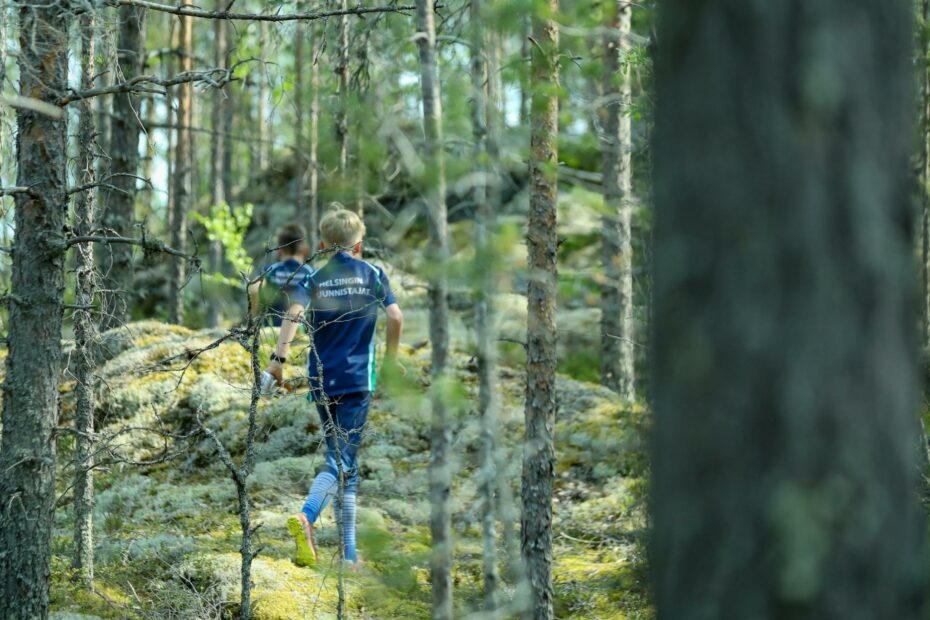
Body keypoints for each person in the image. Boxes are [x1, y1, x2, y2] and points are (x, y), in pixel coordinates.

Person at [264, 209, 404, 569]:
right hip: (358, 381)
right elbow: (395, 316)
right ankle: (308, 515)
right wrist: (391, 360)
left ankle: (348, 556)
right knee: (342, 461)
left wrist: (278, 360)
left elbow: (293, 313)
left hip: (322, 381)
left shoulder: (314, 277)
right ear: (359, 244)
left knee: (344, 464)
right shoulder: (373, 274)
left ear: (323, 244)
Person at [248, 223, 314, 328]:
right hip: (302, 332)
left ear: (280, 251)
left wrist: (254, 320)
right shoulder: (310, 272)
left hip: (273, 331)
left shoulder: (271, 270)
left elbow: (254, 289)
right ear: (305, 250)